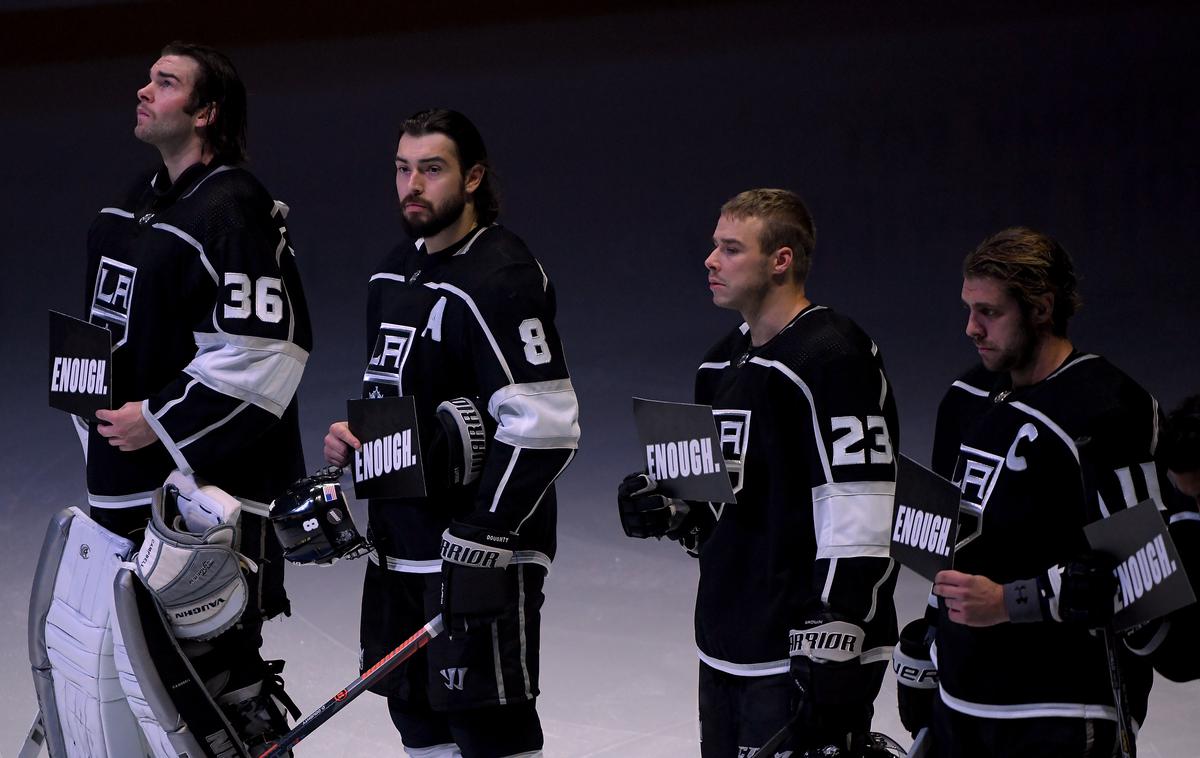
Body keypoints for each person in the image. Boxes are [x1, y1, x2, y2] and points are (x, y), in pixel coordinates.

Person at [323, 108, 580, 758]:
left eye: (431, 169)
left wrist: (484, 537)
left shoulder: (500, 276)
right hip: (400, 548)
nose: (412, 184)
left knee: (488, 727)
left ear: (472, 178)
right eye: (403, 169)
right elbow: (399, 398)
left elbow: (545, 424)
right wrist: (356, 441)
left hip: (476, 555)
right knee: (417, 719)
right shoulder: (393, 272)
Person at [80, 41, 311, 746]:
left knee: (218, 688)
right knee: (152, 686)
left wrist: (156, 419)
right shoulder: (134, 203)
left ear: (206, 114)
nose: (144, 90)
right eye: (147, 76)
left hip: (209, 504)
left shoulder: (233, 210)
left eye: (167, 83)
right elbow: (108, 334)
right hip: (133, 488)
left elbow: (268, 351)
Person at [618, 189, 900, 756]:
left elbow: (863, 498)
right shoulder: (719, 363)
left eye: (730, 249)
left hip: (804, 644)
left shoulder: (831, 356)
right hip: (727, 640)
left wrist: (838, 626)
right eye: (713, 247)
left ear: (781, 260)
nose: (710, 261)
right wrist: (669, 508)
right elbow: (716, 512)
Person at [915, 227, 1175, 757]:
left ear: (1041, 307)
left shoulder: (1108, 409)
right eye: (968, 309)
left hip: (1061, 710)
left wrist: (1010, 602)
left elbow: (1149, 582)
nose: (971, 328)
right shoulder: (963, 399)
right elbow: (946, 542)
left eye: (989, 312)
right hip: (959, 701)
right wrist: (924, 644)